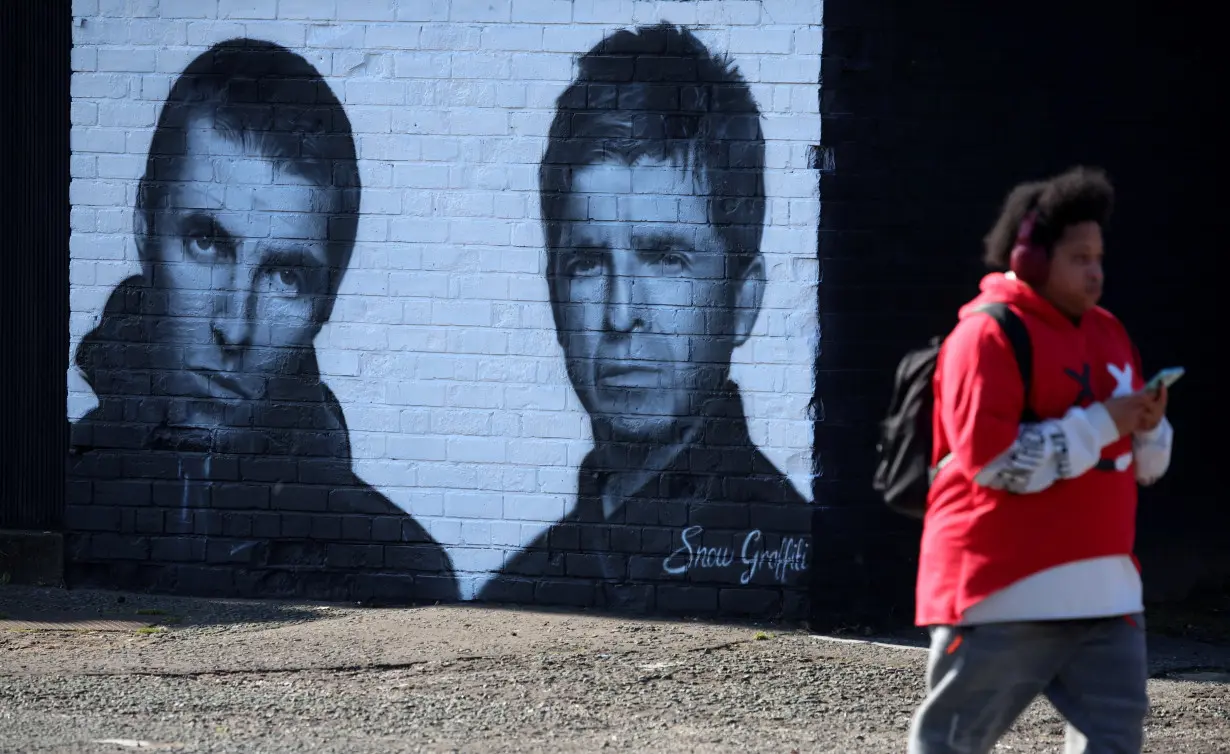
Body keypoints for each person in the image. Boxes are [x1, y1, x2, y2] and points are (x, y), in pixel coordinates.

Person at [68, 39, 456, 602]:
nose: (234, 326)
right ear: (143, 230)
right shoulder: (46, 510)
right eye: (206, 243)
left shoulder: (398, 572)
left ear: (324, 305)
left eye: (285, 277)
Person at [478, 24, 810, 612]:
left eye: (667, 259)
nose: (621, 313)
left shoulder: (801, 574)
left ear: (743, 299)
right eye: (586, 264)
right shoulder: (512, 596)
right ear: (553, 291)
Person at [908, 166, 1173, 753]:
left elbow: (1146, 467)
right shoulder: (986, 336)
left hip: (1109, 594)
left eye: (1099, 256)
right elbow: (993, 461)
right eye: (1080, 257)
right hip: (1002, 589)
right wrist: (1108, 422)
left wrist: (1150, 429)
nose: (1096, 271)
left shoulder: (1109, 333)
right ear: (1030, 257)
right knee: (953, 743)